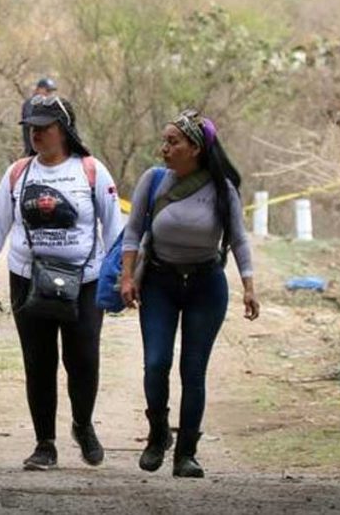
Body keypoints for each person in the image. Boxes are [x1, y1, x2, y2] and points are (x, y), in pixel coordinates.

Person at [0, 96, 123, 470]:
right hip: (28, 280)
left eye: (44, 127)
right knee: (39, 362)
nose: (36, 133)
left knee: (82, 358)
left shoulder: (91, 171)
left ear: (64, 130)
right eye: (31, 127)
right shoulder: (18, 173)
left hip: (85, 282)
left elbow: (116, 230)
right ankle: (44, 444)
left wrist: (123, 277)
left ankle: (83, 425)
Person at [119, 110, 260, 478]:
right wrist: (126, 278)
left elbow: (240, 240)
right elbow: (133, 234)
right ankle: (158, 434)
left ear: (195, 148)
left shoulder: (221, 189)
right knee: (156, 362)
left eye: (172, 142)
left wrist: (248, 286)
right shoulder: (152, 182)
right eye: (164, 141)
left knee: (193, 370)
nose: (164, 148)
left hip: (205, 285)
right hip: (160, 283)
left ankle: (186, 454)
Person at [21, 77, 58, 157]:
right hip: (34, 151)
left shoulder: (49, 105)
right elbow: (30, 122)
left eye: (51, 91)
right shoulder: (31, 103)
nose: (50, 94)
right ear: (38, 89)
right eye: (47, 91)